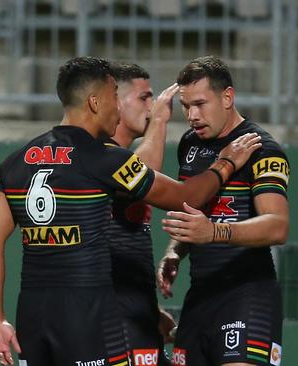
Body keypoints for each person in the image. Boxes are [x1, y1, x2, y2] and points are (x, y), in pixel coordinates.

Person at [0, 56, 261, 366]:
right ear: (95, 101)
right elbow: (186, 195)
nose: (118, 104)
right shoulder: (106, 160)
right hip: (88, 315)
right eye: (115, 94)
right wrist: (227, 163)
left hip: (32, 314)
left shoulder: (12, 164)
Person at [158, 56, 289, 366]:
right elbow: (195, 211)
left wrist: (214, 232)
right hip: (200, 295)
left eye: (201, 104)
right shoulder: (189, 145)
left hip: (248, 295)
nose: (192, 115)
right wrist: (175, 251)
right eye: (186, 106)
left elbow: (278, 226)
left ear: (227, 97)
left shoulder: (261, 148)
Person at [109, 62, 178, 366]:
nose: (151, 107)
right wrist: (161, 119)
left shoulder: (121, 156)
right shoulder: (99, 154)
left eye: (153, 99)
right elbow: (141, 177)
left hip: (134, 313)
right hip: (108, 318)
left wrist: (149, 309)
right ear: (115, 103)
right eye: (144, 98)